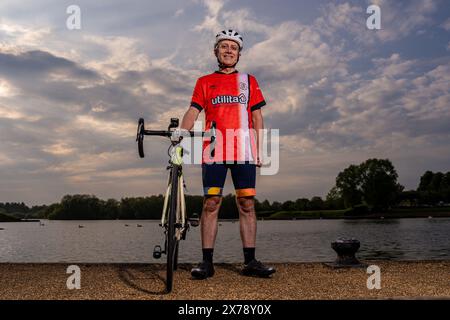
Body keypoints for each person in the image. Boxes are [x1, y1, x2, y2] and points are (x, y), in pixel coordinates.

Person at [179, 29, 275, 279]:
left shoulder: (249, 81)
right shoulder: (204, 81)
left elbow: (257, 116)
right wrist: (181, 131)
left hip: (243, 149)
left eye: (233, 47)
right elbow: (193, 111)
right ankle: (206, 262)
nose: (229, 50)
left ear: (239, 54)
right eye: (224, 46)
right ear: (216, 51)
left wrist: (259, 149)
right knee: (211, 203)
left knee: (247, 203)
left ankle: (250, 262)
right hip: (214, 149)